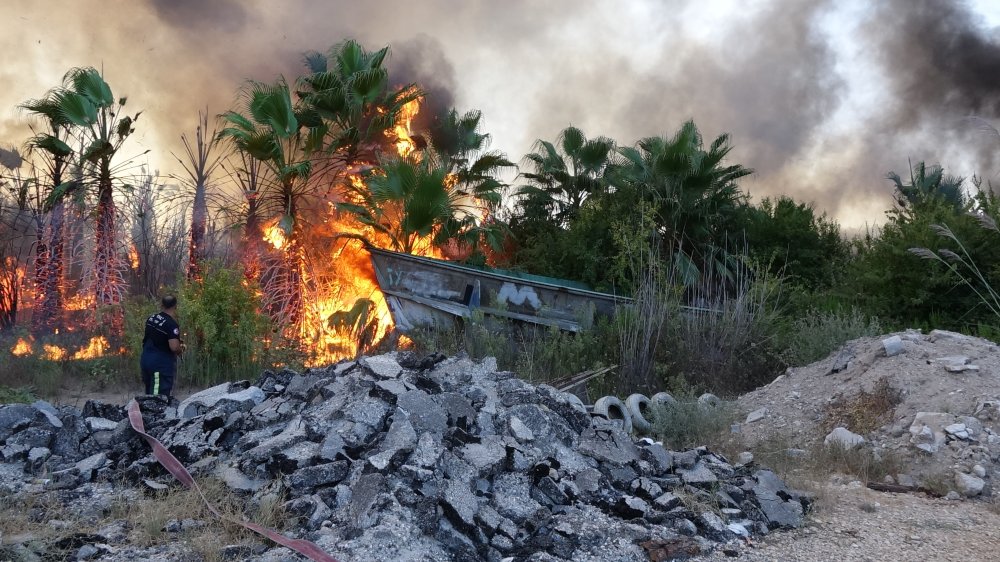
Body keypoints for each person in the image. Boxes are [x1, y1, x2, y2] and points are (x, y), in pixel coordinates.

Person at [140, 295, 184, 397]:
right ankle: (156, 412)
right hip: (160, 365)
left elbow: (155, 336)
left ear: (161, 305)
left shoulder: (151, 318)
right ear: (175, 306)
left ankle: (148, 412)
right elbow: (174, 347)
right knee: (158, 398)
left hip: (146, 360)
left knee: (149, 394)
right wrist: (180, 349)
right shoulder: (171, 324)